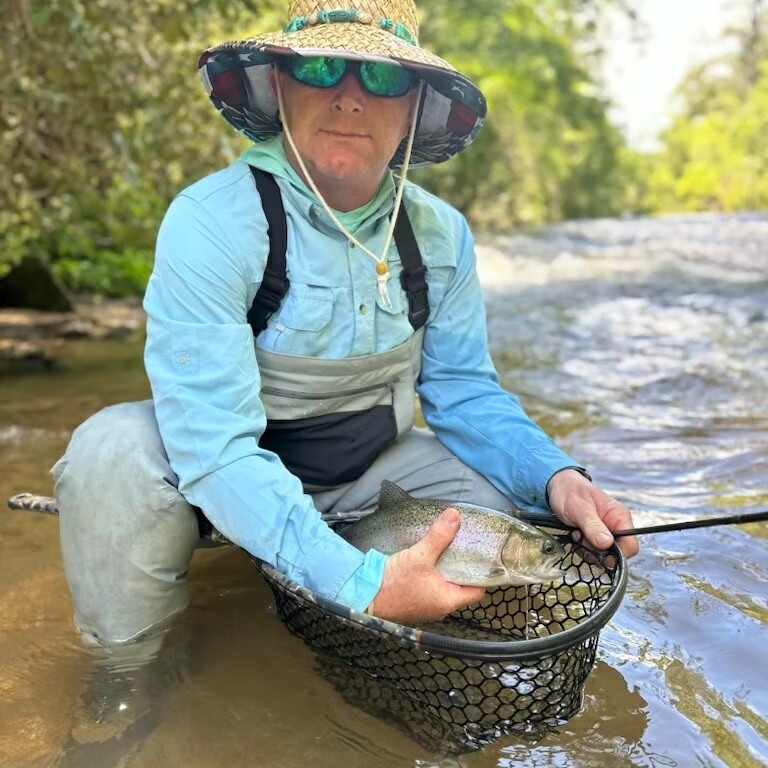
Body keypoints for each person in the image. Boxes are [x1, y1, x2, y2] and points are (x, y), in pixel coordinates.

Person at [52, 0, 639, 647]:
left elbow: (465, 394)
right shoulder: (212, 223)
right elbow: (215, 447)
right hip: (211, 478)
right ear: (280, 85)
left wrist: (558, 479)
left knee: (494, 510)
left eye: (382, 77)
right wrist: (364, 586)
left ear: (414, 104)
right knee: (110, 458)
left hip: (365, 475)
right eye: (324, 68)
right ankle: (129, 686)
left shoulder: (442, 236)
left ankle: (357, 581)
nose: (350, 100)